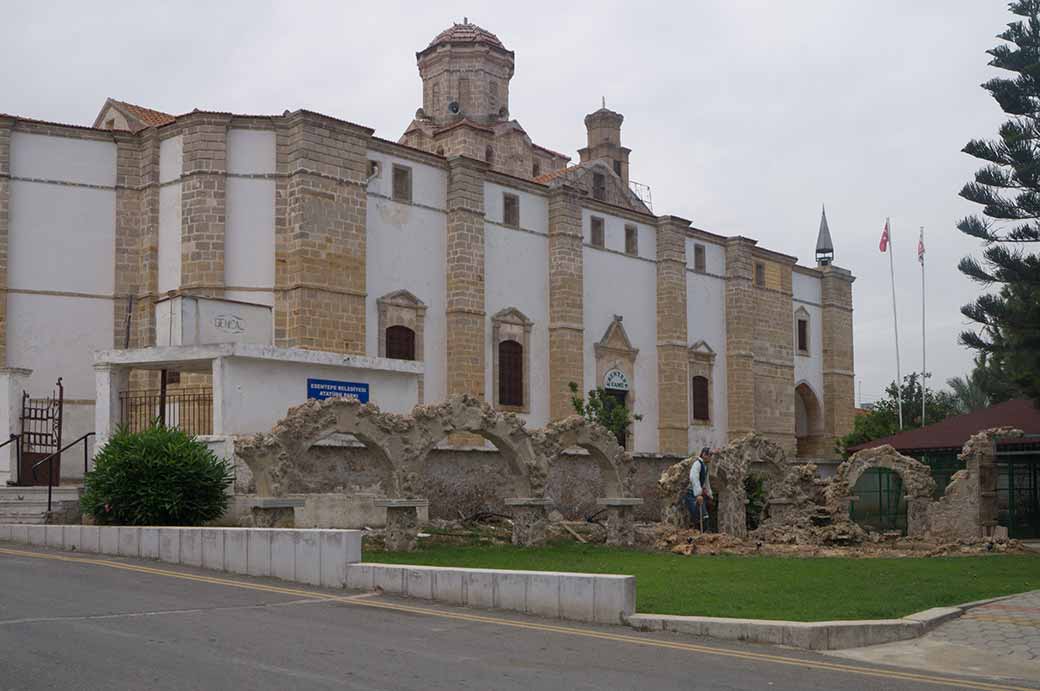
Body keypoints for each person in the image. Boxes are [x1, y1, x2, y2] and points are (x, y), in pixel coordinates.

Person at [686, 447, 713, 530]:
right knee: (700, 516)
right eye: (709, 455)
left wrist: (709, 494)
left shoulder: (706, 466)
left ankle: (703, 533)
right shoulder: (697, 464)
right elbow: (694, 478)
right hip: (691, 494)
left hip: (699, 494)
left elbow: (706, 481)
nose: (711, 457)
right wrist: (698, 494)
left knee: (704, 516)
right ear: (704, 454)